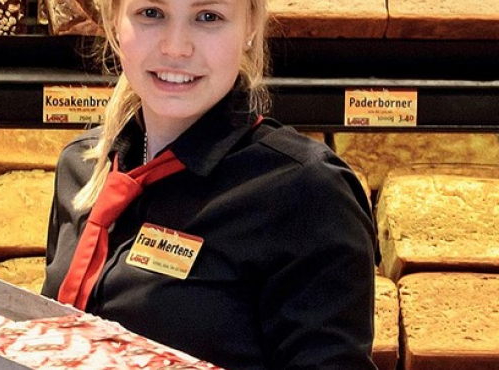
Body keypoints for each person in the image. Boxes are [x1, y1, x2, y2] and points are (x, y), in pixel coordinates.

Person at [41, 0, 378, 369]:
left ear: (249, 28)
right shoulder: (82, 166)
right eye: (151, 13)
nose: (176, 47)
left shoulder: (307, 192)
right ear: (114, 21)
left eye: (208, 17)